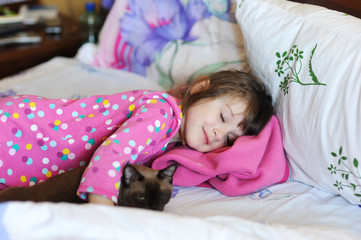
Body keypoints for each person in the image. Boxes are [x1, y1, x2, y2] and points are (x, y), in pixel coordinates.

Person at [0, 70, 273, 206]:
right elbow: (113, 153)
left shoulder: (174, 138)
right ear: (201, 87)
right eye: (223, 117)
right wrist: (101, 210)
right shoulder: (162, 112)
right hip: (22, 130)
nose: (217, 134)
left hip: (29, 149)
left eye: (228, 139)